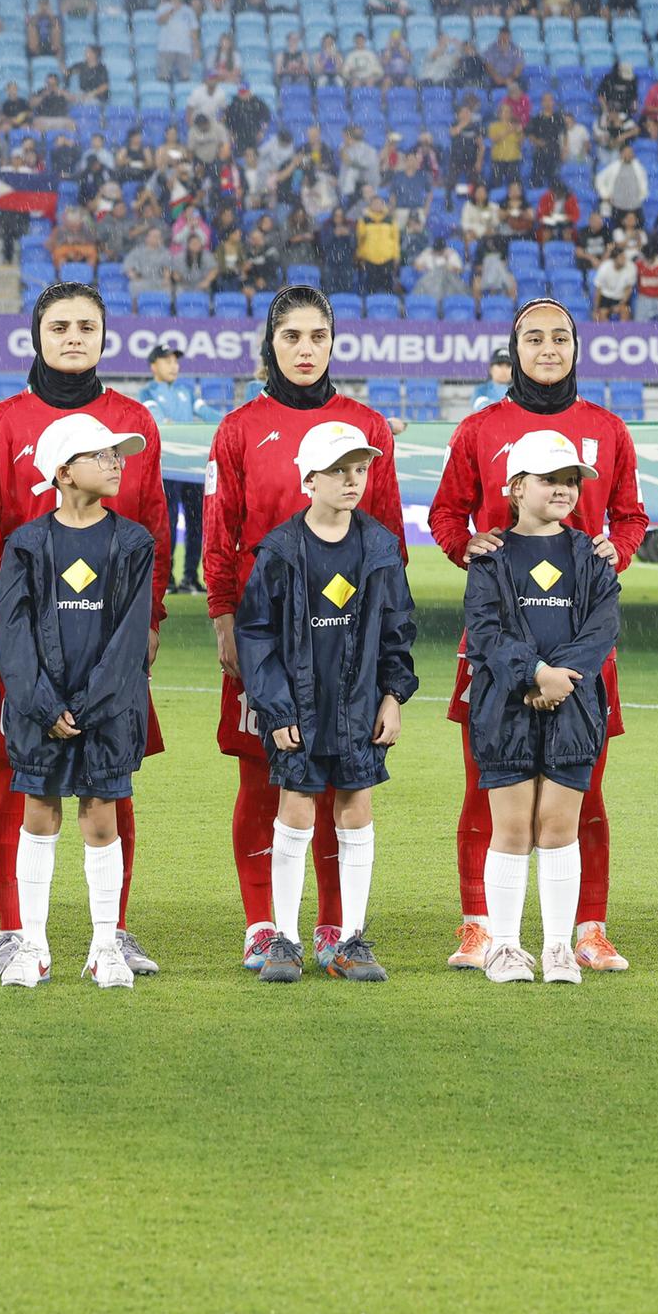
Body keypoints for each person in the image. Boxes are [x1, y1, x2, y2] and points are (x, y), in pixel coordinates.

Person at [430, 301, 646, 973]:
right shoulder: (479, 429)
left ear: (577, 347)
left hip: (578, 640)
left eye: (560, 337)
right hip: (498, 641)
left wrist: (617, 552)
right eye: (534, 337)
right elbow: (444, 513)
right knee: (486, 787)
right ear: (513, 346)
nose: (547, 347)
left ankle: (587, 928)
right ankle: (481, 927)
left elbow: (632, 516)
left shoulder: (606, 429)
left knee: (583, 789)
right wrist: (468, 547)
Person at [0, 285, 170, 980]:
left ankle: (113, 931)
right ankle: (16, 930)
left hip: (112, 641)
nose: (74, 336)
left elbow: (156, 527)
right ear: (38, 334)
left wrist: (151, 619)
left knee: (112, 788)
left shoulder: (133, 418)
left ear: (105, 336)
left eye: (88, 326)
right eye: (60, 326)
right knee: (21, 785)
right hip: (27, 647)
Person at [203, 288, 405, 973]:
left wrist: (387, 666)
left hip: (347, 642)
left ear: (333, 342)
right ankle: (265, 925)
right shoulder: (237, 428)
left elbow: (391, 544)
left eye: (317, 335)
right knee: (266, 778)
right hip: (266, 636)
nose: (305, 348)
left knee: (342, 779)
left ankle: (333, 928)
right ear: (271, 342)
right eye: (291, 336)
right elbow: (220, 532)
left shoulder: (368, 427)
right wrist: (225, 620)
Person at [236, 421, 417, 985]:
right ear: (308, 478)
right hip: (300, 711)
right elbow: (256, 634)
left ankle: (349, 940)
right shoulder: (282, 549)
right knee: (295, 809)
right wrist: (278, 711)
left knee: (355, 809)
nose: (352, 480)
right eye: (339, 470)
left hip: (361, 706)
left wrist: (394, 695)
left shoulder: (381, 546)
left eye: (360, 469)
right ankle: (285, 941)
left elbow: (397, 630)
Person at [0, 414, 158, 991]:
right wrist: (42, 703)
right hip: (42, 711)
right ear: (62, 471)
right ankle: (32, 945)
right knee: (38, 812)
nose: (115, 463)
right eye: (101, 455)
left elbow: (131, 637)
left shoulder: (134, 542)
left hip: (106, 712)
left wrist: (85, 707)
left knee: (102, 818)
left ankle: (104, 945)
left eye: (118, 455)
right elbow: (9, 634)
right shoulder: (27, 543)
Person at [460, 428, 624, 985]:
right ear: (514, 486)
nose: (563, 489)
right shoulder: (489, 557)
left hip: (573, 704)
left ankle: (557, 948)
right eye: (549, 479)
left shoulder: (593, 554)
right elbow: (484, 632)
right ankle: (505, 948)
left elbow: (603, 626)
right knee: (510, 830)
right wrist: (533, 672)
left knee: (558, 828)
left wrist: (559, 679)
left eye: (571, 480)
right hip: (504, 704)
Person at [140, 345, 219, 595]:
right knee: (169, 523)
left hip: (194, 470)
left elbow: (208, 414)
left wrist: (231, 420)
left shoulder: (186, 390)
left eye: (175, 361)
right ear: (154, 366)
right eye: (167, 361)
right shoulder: (148, 391)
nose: (173, 365)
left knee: (198, 525)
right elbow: (158, 420)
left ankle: (190, 577)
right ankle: (168, 577)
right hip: (169, 469)